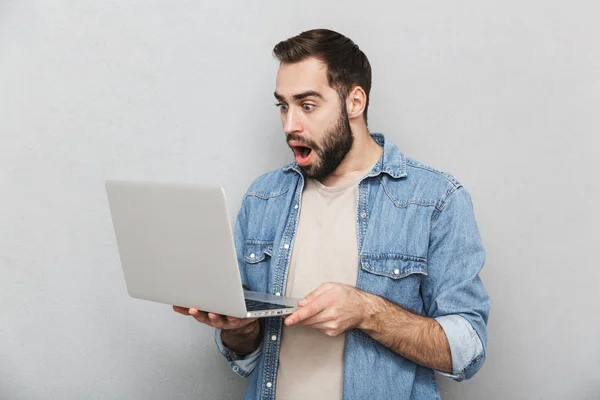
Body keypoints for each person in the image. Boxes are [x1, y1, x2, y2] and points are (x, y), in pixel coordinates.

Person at [173, 28, 490, 400]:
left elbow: (468, 351)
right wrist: (238, 331)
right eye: (283, 106)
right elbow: (247, 357)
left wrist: (366, 311)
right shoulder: (263, 197)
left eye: (307, 105)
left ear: (354, 101)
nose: (290, 124)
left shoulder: (435, 199)